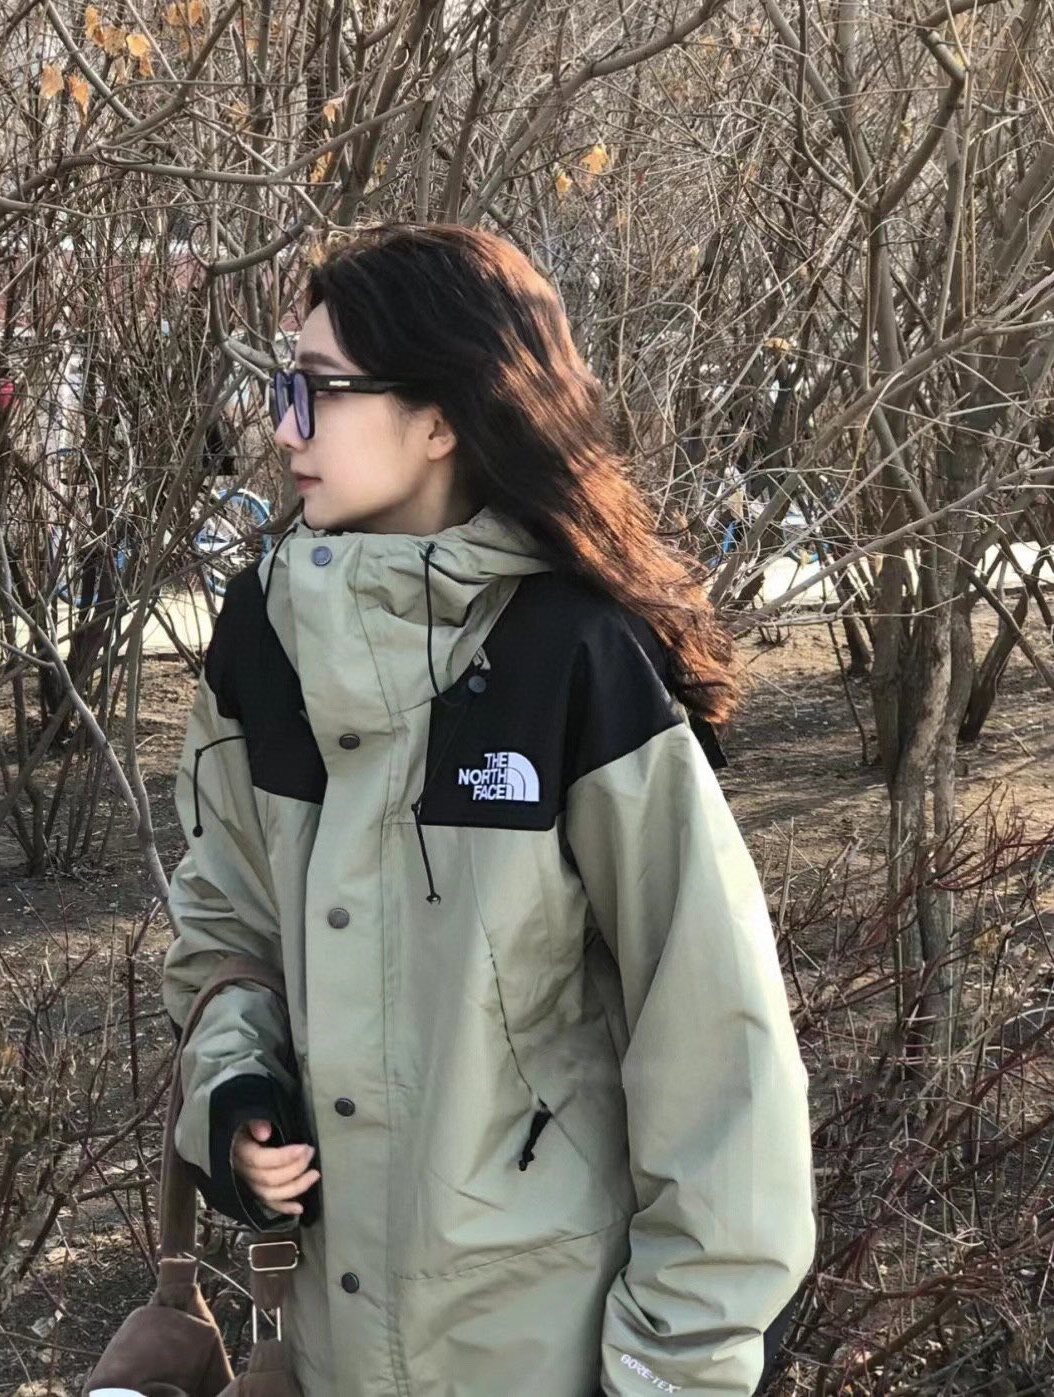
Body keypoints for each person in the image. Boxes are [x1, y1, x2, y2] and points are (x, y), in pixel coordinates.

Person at [161, 223, 816, 1397]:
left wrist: (674, 1366)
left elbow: (716, 1047)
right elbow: (225, 925)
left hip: (548, 1347)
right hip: (329, 1343)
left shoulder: (576, 656)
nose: (282, 427)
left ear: (440, 415)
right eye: (279, 390)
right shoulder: (262, 639)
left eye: (315, 391)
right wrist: (234, 1088)